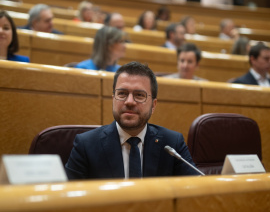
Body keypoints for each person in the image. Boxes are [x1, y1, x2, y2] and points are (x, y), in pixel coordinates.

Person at [65, 61, 198, 179]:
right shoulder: (86, 146)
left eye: (139, 95)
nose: (129, 102)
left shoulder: (172, 144)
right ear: (113, 99)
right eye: (122, 93)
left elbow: (197, 192)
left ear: (153, 105)